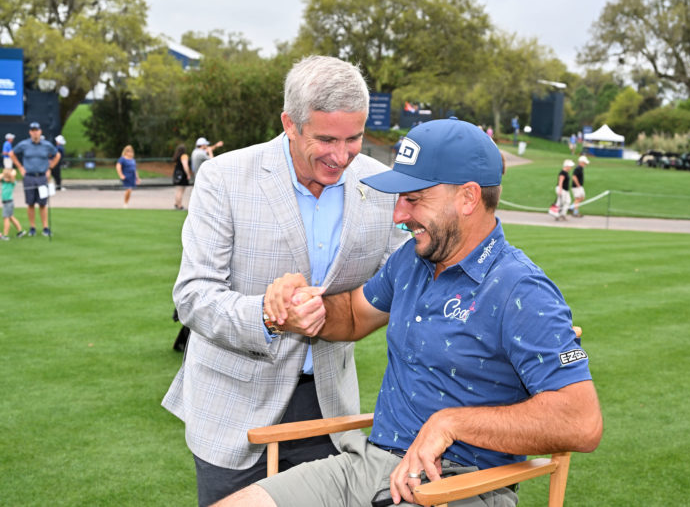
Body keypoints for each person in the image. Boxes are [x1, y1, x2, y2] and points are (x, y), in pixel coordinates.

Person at [221, 118, 603, 507]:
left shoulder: (521, 289)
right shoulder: (412, 260)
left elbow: (581, 421)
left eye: (414, 199)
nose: (398, 215)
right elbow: (353, 316)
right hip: (372, 468)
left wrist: (451, 423)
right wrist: (299, 306)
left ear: (468, 198)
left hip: (460, 484)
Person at [161, 55, 408, 507]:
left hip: (330, 408)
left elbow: (406, 280)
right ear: (289, 124)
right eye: (326, 139)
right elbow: (193, 296)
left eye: (354, 138)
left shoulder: (381, 184)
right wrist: (267, 314)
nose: (342, 155)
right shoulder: (224, 177)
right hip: (232, 410)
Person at [8, 122, 60, 237]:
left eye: (37, 130)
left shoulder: (46, 145)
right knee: (30, 203)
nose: (35, 132)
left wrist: (49, 168)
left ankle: (45, 227)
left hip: (42, 177)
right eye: (33, 130)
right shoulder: (24, 144)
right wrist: (20, 167)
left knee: (42, 203)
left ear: (40, 131)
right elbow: (12, 154)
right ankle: (32, 227)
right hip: (29, 177)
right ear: (30, 132)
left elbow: (57, 155)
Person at [1, 167, 27, 240]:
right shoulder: (4, 181)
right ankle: (20, 231)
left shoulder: (13, 182)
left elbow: (13, 174)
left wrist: (8, 173)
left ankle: (5, 235)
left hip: (8, 202)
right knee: (11, 217)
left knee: (6, 218)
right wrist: (5, 173)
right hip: (7, 202)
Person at [172, 144, 192, 210]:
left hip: (176, 174)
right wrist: (188, 174)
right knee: (181, 190)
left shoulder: (176, 156)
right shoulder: (184, 156)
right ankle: (180, 206)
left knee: (178, 190)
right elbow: (185, 166)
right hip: (182, 175)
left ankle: (176, 204)